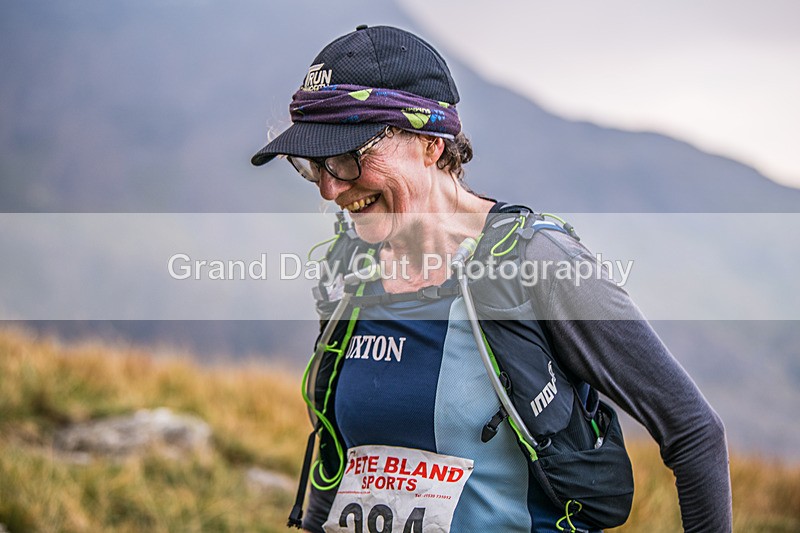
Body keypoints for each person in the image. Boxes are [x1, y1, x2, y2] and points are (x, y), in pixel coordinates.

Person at [251, 25, 732, 533]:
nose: (329, 189)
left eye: (349, 158)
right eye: (314, 164)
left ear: (430, 144)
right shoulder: (350, 270)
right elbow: (343, 463)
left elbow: (693, 430)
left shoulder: (538, 264)